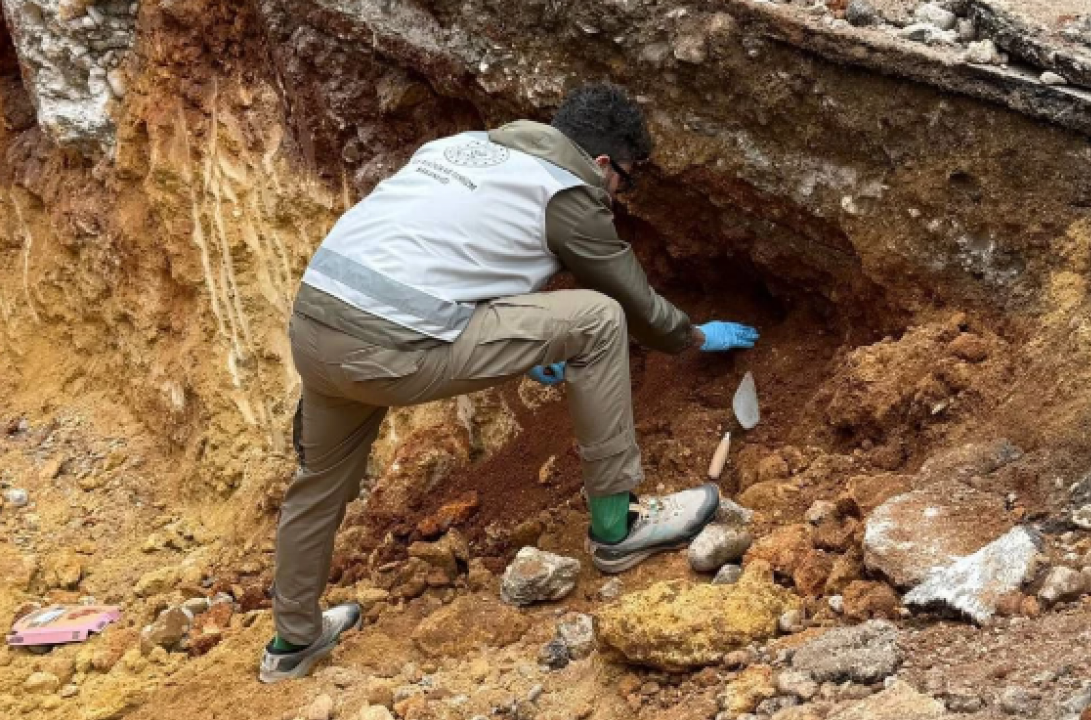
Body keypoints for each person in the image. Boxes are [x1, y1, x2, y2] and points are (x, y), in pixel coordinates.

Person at [259, 84, 759, 683]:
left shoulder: (465, 148)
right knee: (598, 319)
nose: (623, 197)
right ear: (602, 165)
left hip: (315, 327)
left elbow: (457, 255)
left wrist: (527, 351)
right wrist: (694, 338)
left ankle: (293, 639)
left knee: (319, 483)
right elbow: (634, 300)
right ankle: (618, 527)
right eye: (627, 181)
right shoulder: (571, 191)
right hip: (392, 346)